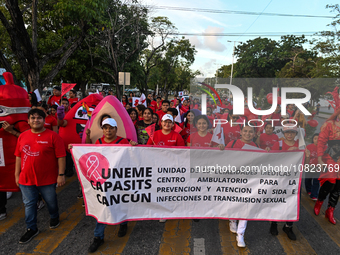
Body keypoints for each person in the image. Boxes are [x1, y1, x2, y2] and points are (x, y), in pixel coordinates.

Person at [14, 108, 66, 243]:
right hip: (26, 179)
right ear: (28, 121)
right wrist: (16, 174)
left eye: (39, 118)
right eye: (33, 118)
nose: (35, 120)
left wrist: (61, 174)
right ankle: (31, 228)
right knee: (29, 204)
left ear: (44, 120)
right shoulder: (22, 136)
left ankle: (54, 216)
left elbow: (61, 156)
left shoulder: (53, 136)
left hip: (47, 179)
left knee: (51, 201)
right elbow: (18, 156)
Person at [84, 118, 135, 252]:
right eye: (105, 128)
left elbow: (132, 157)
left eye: (111, 128)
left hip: (119, 179)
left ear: (116, 129)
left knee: (119, 203)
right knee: (103, 207)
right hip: (104, 181)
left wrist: (134, 147)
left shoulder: (123, 141)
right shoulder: (98, 142)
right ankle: (98, 237)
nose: (108, 130)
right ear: (103, 130)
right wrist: (74, 148)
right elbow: (91, 154)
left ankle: (123, 223)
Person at [226, 125, 258, 248]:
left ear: (254, 134)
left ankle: (240, 234)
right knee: (233, 202)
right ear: (240, 132)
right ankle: (232, 219)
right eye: (245, 131)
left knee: (246, 206)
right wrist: (221, 148)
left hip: (248, 181)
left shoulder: (255, 147)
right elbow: (222, 157)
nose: (248, 133)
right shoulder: (232, 143)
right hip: (233, 179)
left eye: (251, 132)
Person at [270, 124, 303, 240]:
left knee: (292, 202)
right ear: (283, 134)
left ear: (295, 134)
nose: (290, 135)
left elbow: (306, 162)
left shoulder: (301, 144)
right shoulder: (278, 144)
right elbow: (271, 161)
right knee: (277, 200)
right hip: (280, 178)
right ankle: (274, 223)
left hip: (295, 178)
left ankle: (288, 226)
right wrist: (287, 153)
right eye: (287, 132)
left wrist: (306, 155)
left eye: (292, 132)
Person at [314, 109, 340, 225]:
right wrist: (319, 158)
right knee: (329, 183)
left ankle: (330, 210)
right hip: (330, 158)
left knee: (338, 187)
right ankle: (319, 201)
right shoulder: (329, 124)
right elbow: (321, 142)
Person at [305, 133, 319, 201]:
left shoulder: (324, 147)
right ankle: (309, 190)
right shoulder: (308, 146)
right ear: (313, 139)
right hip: (309, 166)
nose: (317, 140)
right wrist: (305, 165)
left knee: (316, 181)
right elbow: (305, 156)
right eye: (315, 138)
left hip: (318, 167)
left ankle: (314, 195)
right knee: (308, 180)